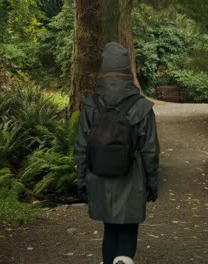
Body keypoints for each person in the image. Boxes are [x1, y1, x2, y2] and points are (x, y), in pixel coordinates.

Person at [73, 41, 160, 264]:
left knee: (109, 227)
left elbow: (81, 147)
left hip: (99, 176)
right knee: (129, 225)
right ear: (127, 70)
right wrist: (152, 182)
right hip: (132, 177)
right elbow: (150, 150)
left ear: (104, 69)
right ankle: (124, 259)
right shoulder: (141, 107)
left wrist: (82, 180)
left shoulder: (91, 105)